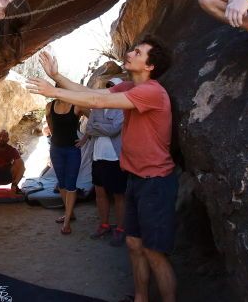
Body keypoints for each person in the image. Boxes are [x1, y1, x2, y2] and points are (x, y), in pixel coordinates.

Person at [27, 37, 176, 302]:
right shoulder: (131, 86)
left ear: (150, 65)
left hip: (156, 182)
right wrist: (57, 76)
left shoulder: (152, 91)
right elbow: (88, 92)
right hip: (137, 179)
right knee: (133, 244)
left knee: (154, 252)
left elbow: (96, 101)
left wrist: (54, 91)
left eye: (138, 52)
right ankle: (141, 298)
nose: (130, 53)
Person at [78, 77, 128, 247]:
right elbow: (89, 128)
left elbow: (115, 130)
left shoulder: (123, 108)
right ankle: (104, 225)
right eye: (109, 87)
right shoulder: (97, 109)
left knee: (118, 195)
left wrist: (99, 126)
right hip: (98, 156)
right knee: (100, 193)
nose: (111, 89)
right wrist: (103, 126)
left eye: (114, 87)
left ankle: (121, 229)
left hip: (115, 157)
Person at [45, 97, 86, 235]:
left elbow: (93, 118)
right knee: (61, 183)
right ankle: (70, 213)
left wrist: (84, 139)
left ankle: (67, 222)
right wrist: (54, 137)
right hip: (56, 149)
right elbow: (50, 124)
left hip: (72, 150)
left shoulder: (76, 105)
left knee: (71, 184)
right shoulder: (49, 106)